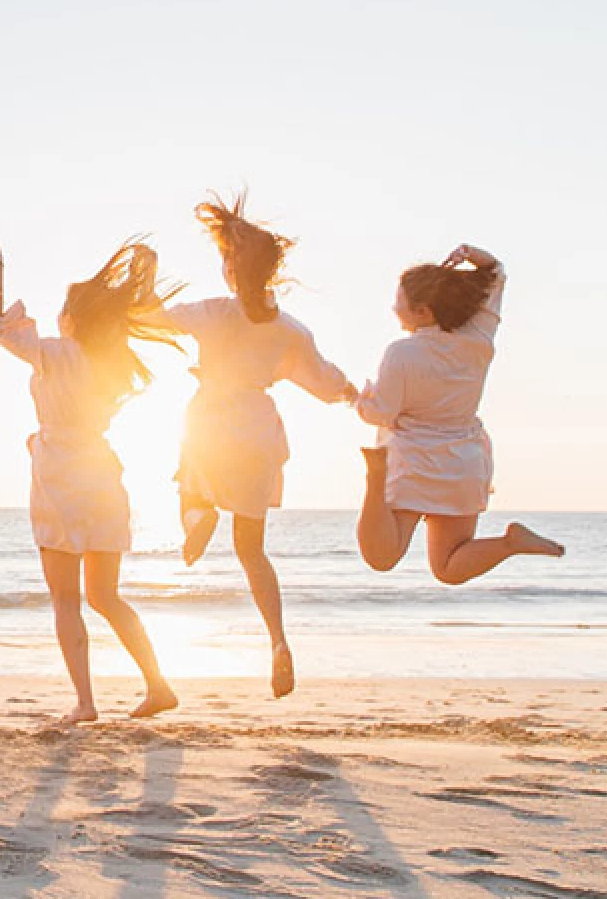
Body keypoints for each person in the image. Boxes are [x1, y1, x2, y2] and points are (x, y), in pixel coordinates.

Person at [158, 193, 355, 697]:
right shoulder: (291, 330)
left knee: (191, 482)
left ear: (229, 268)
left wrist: (137, 284)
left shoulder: (213, 312)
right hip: (258, 430)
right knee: (252, 550)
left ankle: (197, 513)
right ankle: (278, 640)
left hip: (211, 423)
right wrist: (350, 392)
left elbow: (154, 318)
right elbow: (323, 380)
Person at [0, 239, 183, 724]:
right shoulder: (110, 362)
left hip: (60, 476)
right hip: (100, 473)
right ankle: (157, 684)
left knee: (66, 599)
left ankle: (85, 703)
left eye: (63, 311)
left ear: (73, 320)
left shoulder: (57, 352)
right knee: (105, 596)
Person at [353, 243, 564, 581]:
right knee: (448, 568)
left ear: (423, 311)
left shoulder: (402, 352)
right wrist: (469, 253)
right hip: (463, 462)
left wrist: (360, 400)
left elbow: (380, 413)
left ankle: (374, 477)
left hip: (414, 460)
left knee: (382, 557)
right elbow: (496, 272)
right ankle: (510, 543)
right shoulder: (478, 335)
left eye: (400, 301)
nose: (394, 307)